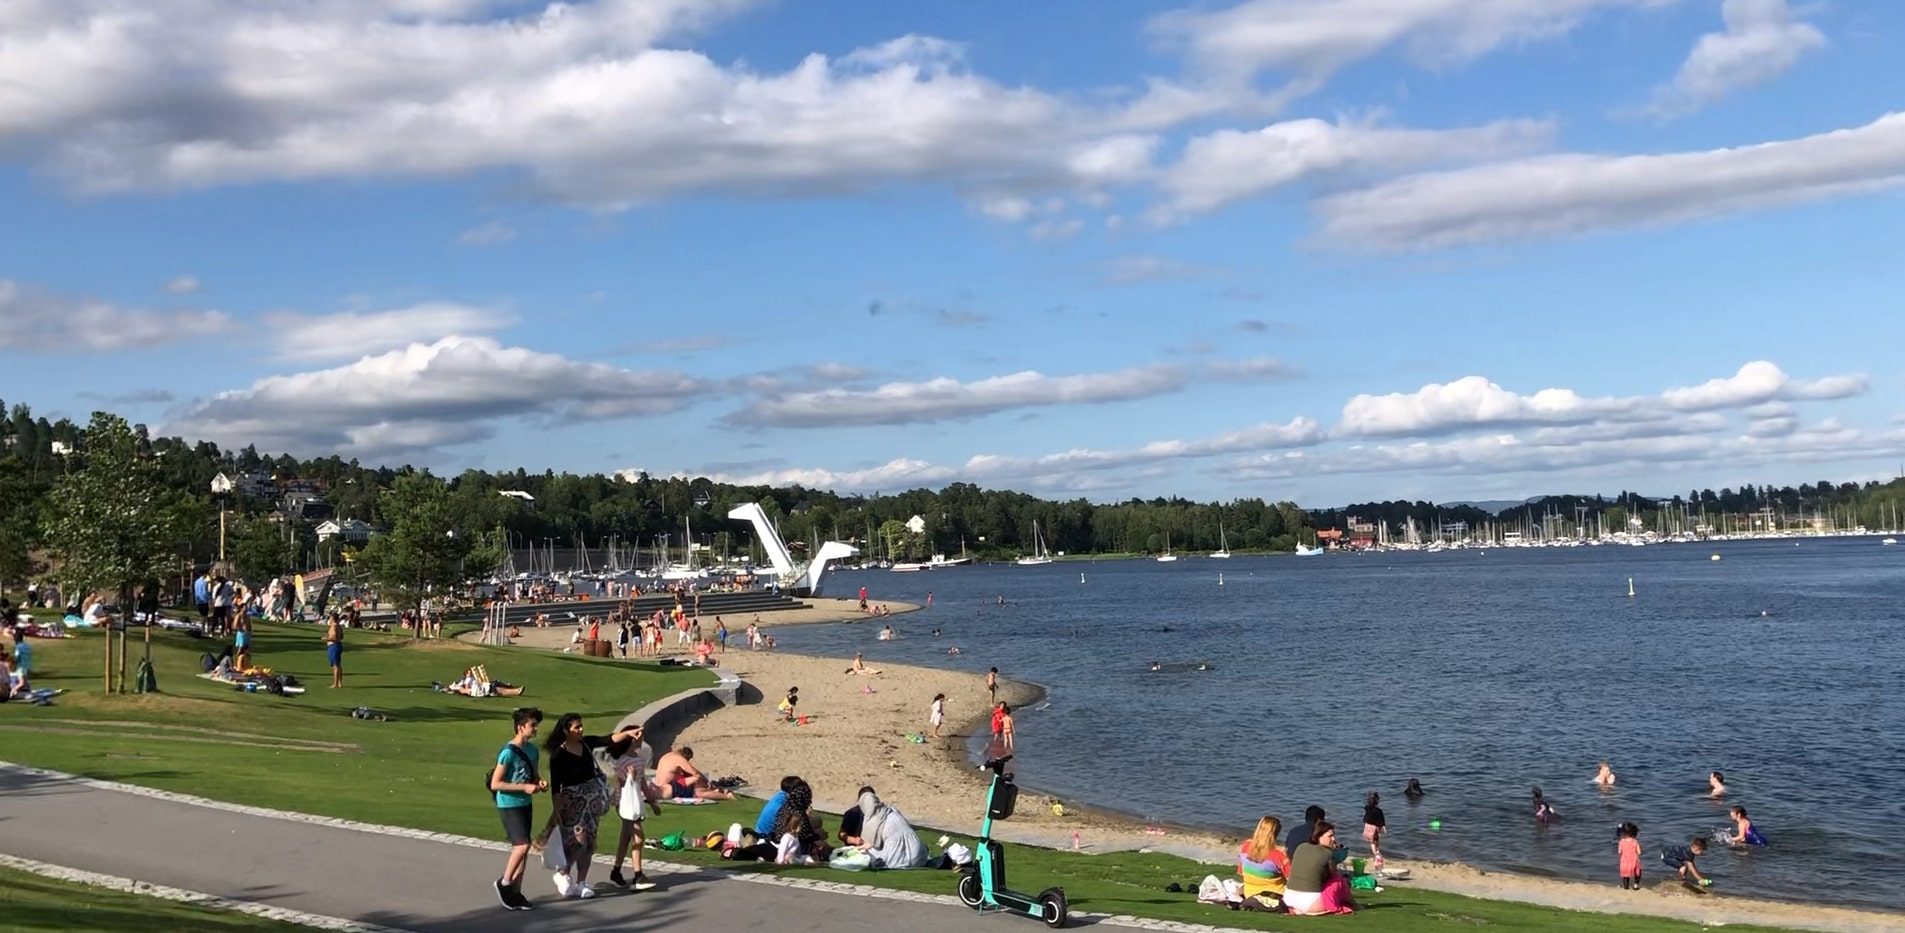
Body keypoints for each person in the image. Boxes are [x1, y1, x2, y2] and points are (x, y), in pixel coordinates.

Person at [539, 714, 642, 899]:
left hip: (592, 801)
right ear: (566, 731)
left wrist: (627, 734)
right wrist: (557, 809)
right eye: (576, 727)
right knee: (577, 841)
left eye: (581, 726)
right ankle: (563, 873)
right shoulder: (558, 755)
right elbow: (556, 786)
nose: (581, 729)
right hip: (573, 802)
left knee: (589, 843)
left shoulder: (586, 743)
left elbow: (608, 739)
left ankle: (582, 883)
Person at [489, 707, 547, 911]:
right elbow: (496, 783)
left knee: (524, 848)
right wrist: (524, 787)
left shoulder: (533, 750)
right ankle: (505, 883)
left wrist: (539, 783)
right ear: (521, 727)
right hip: (509, 803)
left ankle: (516, 891)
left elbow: (534, 775)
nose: (536, 729)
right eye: (532, 725)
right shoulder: (508, 753)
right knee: (522, 846)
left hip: (525, 803)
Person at [607, 725, 661, 891]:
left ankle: (616, 870)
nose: (641, 739)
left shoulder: (639, 760)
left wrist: (652, 801)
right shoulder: (620, 761)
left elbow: (642, 782)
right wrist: (630, 776)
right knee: (638, 838)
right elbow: (623, 785)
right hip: (624, 803)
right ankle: (638, 875)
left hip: (635, 802)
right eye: (638, 736)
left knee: (626, 838)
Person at [1284, 822, 1356, 915]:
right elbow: (1333, 876)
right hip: (1310, 903)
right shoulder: (1327, 853)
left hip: (1288, 899)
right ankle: (1349, 904)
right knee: (1339, 880)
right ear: (1319, 836)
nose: (1333, 839)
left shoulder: (1301, 847)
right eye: (1330, 836)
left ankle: (1297, 909)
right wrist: (1334, 851)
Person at [851, 788, 929, 869]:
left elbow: (871, 845)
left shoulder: (874, 819)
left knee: (867, 853)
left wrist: (855, 849)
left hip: (897, 857)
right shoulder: (892, 810)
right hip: (919, 855)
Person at [1237, 815, 1289, 909]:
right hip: (1275, 896)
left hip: (1250, 893)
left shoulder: (1246, 845)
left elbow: (1241, 872)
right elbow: (1292, 879)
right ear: (1276, 832)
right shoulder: (1279, 854)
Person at [653, 745, 735, 800]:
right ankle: (712, 790)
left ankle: (712, 790)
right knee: (696, 781)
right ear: (685, 756)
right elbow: (695, 773)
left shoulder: (667, 755)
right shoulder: (679, 759)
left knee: (691, 781)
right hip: (671, 787)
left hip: (660, 786)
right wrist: (706, 781)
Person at [1617, 821, 1643, 890]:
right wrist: (1640, 849)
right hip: (1634, 861)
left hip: (1624, 862)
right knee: (1638, 873)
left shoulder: (1621, 842)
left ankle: (1626, 887)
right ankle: (1636, 885)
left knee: (1625, 876)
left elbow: (1619, 852)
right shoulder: (1635, 842)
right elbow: (1639, 852)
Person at [1361, 792, 1386, 861]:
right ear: (1377, 801)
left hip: (1367, 826)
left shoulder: (1367, 808)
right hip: (1374, 828)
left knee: (1372, 842)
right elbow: (1381, 820)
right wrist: (1383, 826)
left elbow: (1366, 807)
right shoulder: (1378, 811)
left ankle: (1376, 853)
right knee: (1376, 841)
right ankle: (1377, 854)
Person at [324, 612, 344, 688]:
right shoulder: (338, 626)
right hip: (338, 645)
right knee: (338, 665)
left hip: (333, 646)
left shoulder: (334, 627)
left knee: (335, 666)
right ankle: (339, 682)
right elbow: (341, 636)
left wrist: (326, 638)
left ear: (332, 618)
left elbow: (334, 637)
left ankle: (335, 683)